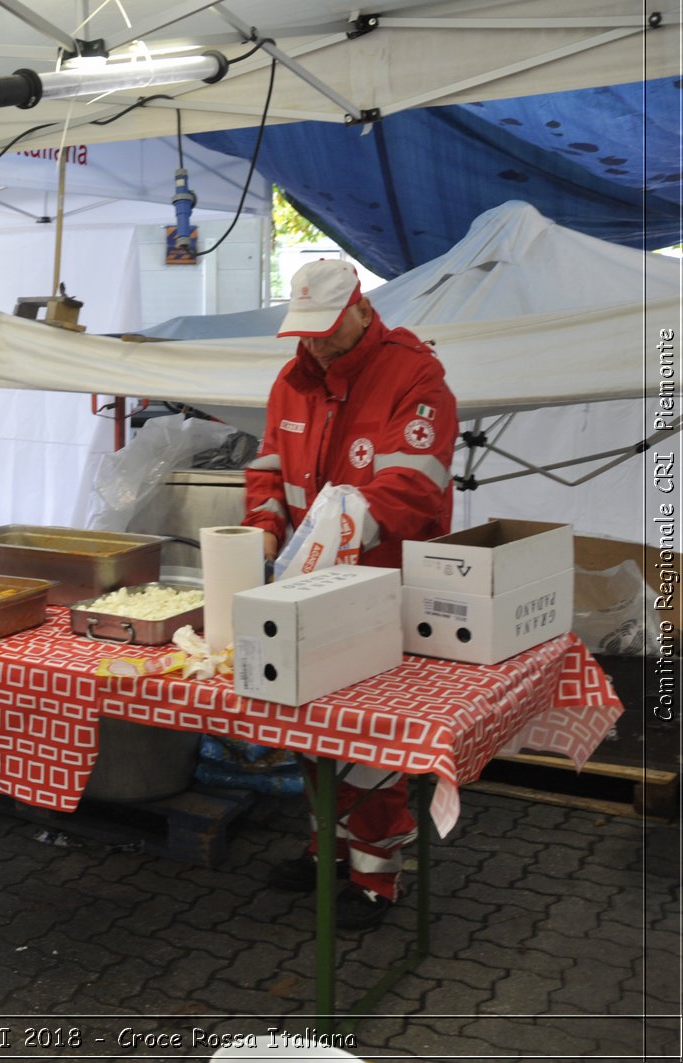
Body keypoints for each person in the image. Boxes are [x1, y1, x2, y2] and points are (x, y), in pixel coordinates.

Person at [242, 259, 458, 930]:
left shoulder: (416, 377)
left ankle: (376, 876)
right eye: (304, 334)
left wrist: (339, 528)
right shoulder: (293, 378)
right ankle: (323, 849)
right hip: (305, 590)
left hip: (382, 589)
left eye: (327, 333)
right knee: (310, 729)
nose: (315, 345)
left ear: (361, 310)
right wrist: (262, 535)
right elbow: (268, 469)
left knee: (368, 742)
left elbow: (414, 486)